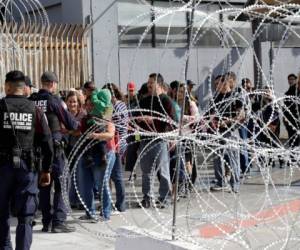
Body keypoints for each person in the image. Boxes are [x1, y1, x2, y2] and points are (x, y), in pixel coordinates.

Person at [0, 70, 53, 250]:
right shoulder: (35, 110)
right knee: (26, 215)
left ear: (7, 86)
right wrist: (46, 170)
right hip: (27, 168)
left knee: (1, 214)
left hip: (2, 168)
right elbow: (47, 141)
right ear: (24, 88)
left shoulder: (0, 107)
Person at [30, 71, 78, 233]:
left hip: (37, 151)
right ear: (52, 84)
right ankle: (58, 221)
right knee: (62, 183)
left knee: (44, 185)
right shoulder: (54, 101)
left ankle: (46, 221)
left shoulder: (32, 100)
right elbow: (70, 123)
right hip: (55, 150)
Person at [137, 73, 175, 208]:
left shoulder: (166, 100)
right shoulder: (144, 101)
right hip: (145, 138)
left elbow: (171, 120)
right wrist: (141, 120)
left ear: (159, 84)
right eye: (148, 83)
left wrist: (152, 119)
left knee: (163, 171)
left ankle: (165, 197)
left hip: (159, 139)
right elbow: (136, 116)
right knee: (146, 171)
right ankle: (147, 197)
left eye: (151, 83)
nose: (148, 85)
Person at [78, 91, 116, 221]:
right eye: (87, 105)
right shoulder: (85, 119)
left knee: (102, 184)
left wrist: (96, 136)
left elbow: (110, 134)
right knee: (85, 184)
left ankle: (105, 213)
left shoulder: (104, 118)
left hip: (103, 154)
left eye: (92, 105)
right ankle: (90, 212)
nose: (89, 107)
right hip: (87, 154)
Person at [103, 83, 128, 212]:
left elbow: (107, 123)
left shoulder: (112, 107)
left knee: (115, 176)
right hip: (122, 142)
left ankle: (119, 204)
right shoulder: (122, 104)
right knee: (116, 176)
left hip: (116, 144)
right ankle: (119, 203)